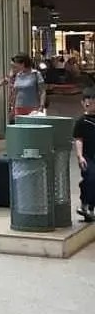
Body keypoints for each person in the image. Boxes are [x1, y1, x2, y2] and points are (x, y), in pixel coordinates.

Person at [0, 54, 45, 121]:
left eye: (16, 64)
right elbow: (13, 91)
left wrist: (41, 106)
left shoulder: (36, 74)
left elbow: (42, 91)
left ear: (23, 64)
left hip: (33, 107)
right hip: (19, 107)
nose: (15, 66)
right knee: (19, 125)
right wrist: (13, 108)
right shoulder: (18, 75)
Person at [74, 86, 95, 222]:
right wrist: (80, 156)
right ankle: (84, 204)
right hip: (87, 157)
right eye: (87, 103)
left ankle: (91, 208)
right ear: (83, 103)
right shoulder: (81, 121)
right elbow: (78, 139)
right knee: (90, 177)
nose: (90, 105)